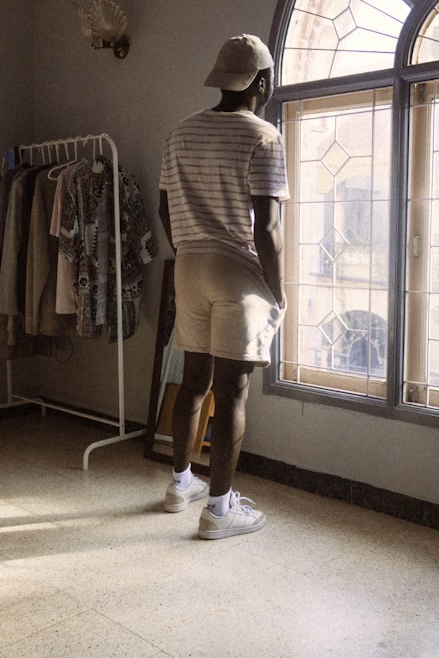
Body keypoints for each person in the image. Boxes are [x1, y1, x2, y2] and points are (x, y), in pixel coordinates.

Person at [158, 34, 288, 539]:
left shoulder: (179, 133)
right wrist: (278, 290)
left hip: (187, 266)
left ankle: (178, 484)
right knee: (233, 392)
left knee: (194, 381)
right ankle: (218, 511)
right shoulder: (263, 136)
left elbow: (167, 207)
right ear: (261, 81)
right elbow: (268, 227)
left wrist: (190, 248)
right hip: (236, 270)